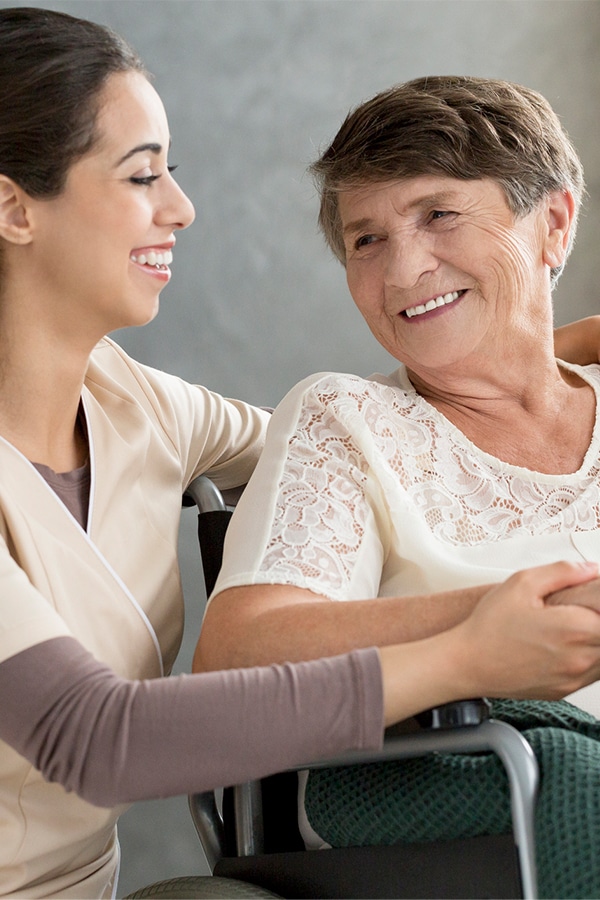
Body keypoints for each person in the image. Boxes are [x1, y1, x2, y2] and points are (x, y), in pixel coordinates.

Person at [0, 13, 551, 898]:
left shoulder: (134, 407)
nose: (180, 208)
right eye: (142, 175)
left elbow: (358, 440)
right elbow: (95, 740)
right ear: (14, 208)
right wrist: (465, 655)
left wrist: (547, 358)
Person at [196, 76, 600, 898]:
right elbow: (235, 660)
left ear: (552, 223)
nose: (404, 267)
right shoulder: (347, 420)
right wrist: (494, 617)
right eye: (366, 239)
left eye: (439, 215)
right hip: (480, 783)